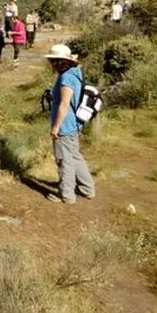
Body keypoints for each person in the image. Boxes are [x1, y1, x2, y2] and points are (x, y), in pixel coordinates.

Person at [44, 44, 96, 204]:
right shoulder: (75, 73)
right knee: (74, 157)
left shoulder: (66, 77)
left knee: (64, 160)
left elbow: (64, 104)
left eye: (53, 61)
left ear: (60, 62)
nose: (50, 64)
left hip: (65, 126)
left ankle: (66, 195)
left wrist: (55, 127)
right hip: (74, 124)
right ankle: (88, 189)